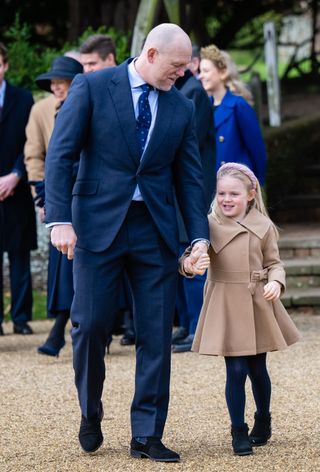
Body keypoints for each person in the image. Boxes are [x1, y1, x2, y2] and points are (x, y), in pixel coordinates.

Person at [44, 23, 209, 461]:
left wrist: (198, 238)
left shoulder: (181, 107)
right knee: (91, 326)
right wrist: (59, 219)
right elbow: (60, 155)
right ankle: (90, 411)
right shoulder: (93, 87)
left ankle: (147, 433)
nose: (182, 74)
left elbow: (191, 178)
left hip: (154, 230)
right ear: (151, 53)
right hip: (96, 226)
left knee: (155, 332)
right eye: (176, 67)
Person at [180, 162, 300, 456]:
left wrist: (276, 282)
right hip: (225, 302)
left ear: (250, 194)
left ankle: (263, 418)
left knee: (258, 369)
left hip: (257, 301)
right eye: (221, 193)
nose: (226, 199)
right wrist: (191, 265)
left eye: (234, 193)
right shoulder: (207, 224)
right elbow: (189, 256)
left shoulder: (264, 226)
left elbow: (275, 263)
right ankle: (238, 430)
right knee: (235, 369)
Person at [24, 55, 83, 355]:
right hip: (58, 193)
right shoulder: (42, 111)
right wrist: (42, 197)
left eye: (64, 82)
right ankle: (60, 327)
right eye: (54, 83)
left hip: (86, 192)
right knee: (62, 263)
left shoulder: (90, 106)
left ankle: (94, 327)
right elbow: (36, 155)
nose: (58, 88)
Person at [172, 61, 215, 353]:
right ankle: (187, 324)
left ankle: (198, 326)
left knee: (193, 251)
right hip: (177, 188)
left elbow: (188, 142)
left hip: (194, 186)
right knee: (180, 252)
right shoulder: (180, 89)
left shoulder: (194, 93)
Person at [0, 42, 36, 336]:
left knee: (20, 256)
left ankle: (22, 318)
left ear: (6, 65)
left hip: (17, 188)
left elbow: (31, 143)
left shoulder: (24, 100)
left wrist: (15, 174)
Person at [199, 44, 267, 186]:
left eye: (206, 71)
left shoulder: (238, 105)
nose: (201, 76)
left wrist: (257, 185)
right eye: (200, 71)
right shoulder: (204, 107)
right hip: (211, 186)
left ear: (222, 72)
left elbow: (257, 150)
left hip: (237, 186)